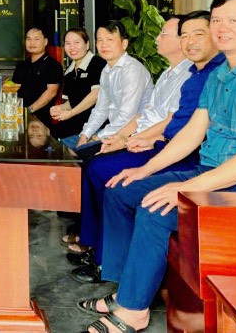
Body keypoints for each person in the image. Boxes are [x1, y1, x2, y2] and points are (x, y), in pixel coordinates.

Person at [79, 0, 236, 333]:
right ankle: (128, 291)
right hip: (211, 173)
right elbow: (192, 133)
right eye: (217, 20)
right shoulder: (219, 74)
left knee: (156, 208)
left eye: (233, 20)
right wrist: (144, 169)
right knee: (122, 189)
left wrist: (183, 189)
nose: (222, 28)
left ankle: (134, 311)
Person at [71, 15, 218, 283]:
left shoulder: (197, 74)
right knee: (89, 163)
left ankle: (104, 257)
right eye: (184, 35)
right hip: (151, 141)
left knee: (102, 171)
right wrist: (120, 138)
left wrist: (128, 141)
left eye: (165, 34)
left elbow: (174, 125)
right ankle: (95, 245)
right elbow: (143, 115)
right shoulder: (171, 74)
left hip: (171, 150)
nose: (157, 39)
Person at [63, 21, 154, 155]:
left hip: (135, 135)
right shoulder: (106, 71)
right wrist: (85, 135)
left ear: (124, 44)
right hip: (113, 131)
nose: (104, 45)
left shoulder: (132, 69)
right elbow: (101, 109)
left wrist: (98, 137)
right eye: (100, 40)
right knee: (61, 148)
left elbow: (127, 116)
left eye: (110, 39)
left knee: (73, 155)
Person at [49, 28, 106, 141]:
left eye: (77, 42)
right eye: (68, 43)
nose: (72, 47)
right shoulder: (69, 72)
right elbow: (72, 102)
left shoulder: (98, 64)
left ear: (87, 44)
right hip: (76, 123)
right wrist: (60, 108)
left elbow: (96, 94)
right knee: (49, 135)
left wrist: (71, 113)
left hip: (96, 126)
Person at [12, 26, 63, 126]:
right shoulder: (21, 65)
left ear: (45, 42)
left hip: (42, 119)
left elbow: (51, 92)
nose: (32, 43)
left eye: (36, 39)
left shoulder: (53, 65)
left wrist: (29, 110)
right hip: (19, 117)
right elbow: (15, 89)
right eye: (29, 39)